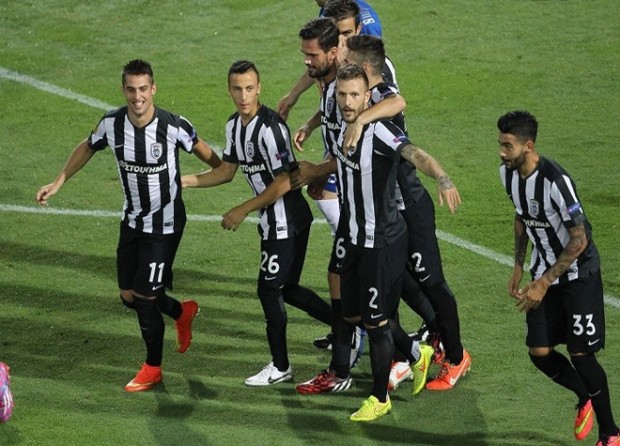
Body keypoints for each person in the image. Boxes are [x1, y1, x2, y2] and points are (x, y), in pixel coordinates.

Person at [35, 59, 220, 392]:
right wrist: (58, 181)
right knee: (129, 295)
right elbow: (87, 146)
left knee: (146, 297)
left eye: (143, 89)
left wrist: (186, 181)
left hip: (165, 225)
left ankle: (153, 368)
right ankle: (181, 312)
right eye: (131, 90)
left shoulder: (173, 126)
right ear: (123, 90)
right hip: (132, 220)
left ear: (154, 89)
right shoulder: (112, 123)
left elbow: (217, 164)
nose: (138, 97)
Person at [181, 60, 332, 386]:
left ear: (259, 88)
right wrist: (184, 181)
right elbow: (226, 171)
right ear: (229, 90)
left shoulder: (271, 129)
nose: (243, 96)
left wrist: (243, 209)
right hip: (277, 221)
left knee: (269, 289)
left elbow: (284, 181)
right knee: (288, 289)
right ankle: (346, 327)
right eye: (237, 89)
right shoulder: (234, 126)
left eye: (249, 88)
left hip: (286, 219)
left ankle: (281, 366)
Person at [342, 34, 471, 392]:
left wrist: (361, 121)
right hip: (388, 213)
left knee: (432, 283)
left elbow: (399, 102)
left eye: (349, 62)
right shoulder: (357, 97)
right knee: (395, 284)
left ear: (365, 69)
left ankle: (457, 356)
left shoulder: (383, 97)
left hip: (410, 206)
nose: (343, 66)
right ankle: (411, 354)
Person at [498, 110, 620, 445]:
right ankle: (585, 396)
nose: (502, 152)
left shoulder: (556, 182)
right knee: (539, 351)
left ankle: (611, 433)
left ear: (528, 146)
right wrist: (519, 266)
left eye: (508, 146)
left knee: (581, 355)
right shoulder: (507, 174)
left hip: (579, 276)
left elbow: (579, 240)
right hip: (543, 272)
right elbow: (521, 217)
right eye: (501, 144)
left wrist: (542, 283)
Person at [277, 0, 383, 122]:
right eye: (336, 34)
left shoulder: (368, 31)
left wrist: (359, 123)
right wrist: (294, 95)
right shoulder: (327, 13)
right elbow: (320, 61)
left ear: (358, 29)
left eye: (346, 33)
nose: (340, 40)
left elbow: (391, 101)